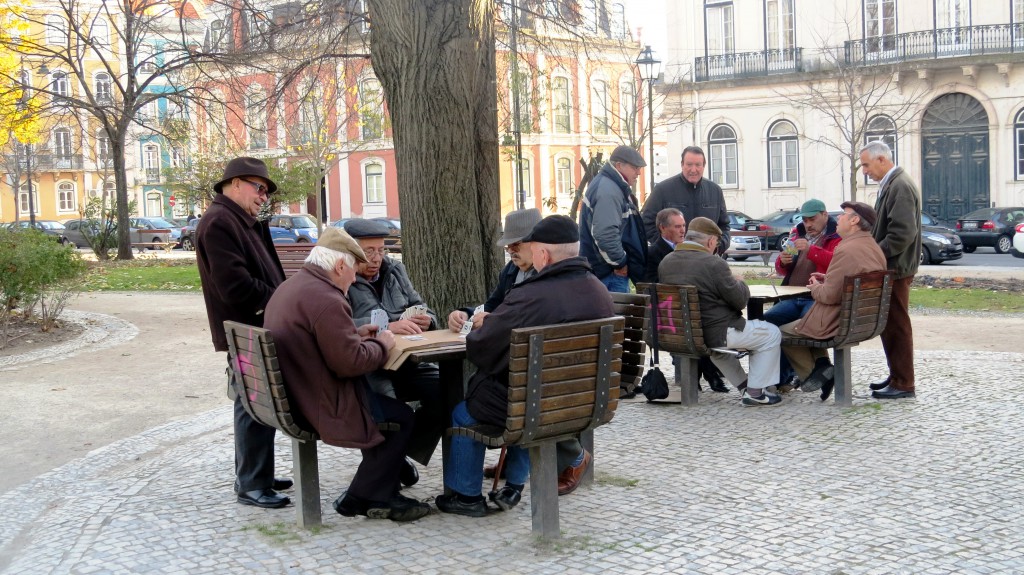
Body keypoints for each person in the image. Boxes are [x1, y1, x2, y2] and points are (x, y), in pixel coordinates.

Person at [435, 215, 615, 517]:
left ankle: (465, 497)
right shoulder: (598, 290)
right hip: (585, 401)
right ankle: (515, 484)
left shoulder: (531, 296)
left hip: (534, 405)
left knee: (466, 412)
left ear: (542, 254)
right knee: (524, 397)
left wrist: (483, 327)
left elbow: (481, 349)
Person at [263, 227, 429, 522]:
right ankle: (363, 495)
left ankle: (372, 492)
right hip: (321, 402)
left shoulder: (294, 287)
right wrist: (382, 341)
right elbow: (350, 363)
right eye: (353, 270)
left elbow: (325, 339)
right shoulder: (327, 299)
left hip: (296, 393)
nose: (354, 278)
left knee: (391, 407)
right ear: (340, 265)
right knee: (401, 417)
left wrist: (354, 331)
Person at [195, 157, 291, 509]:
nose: (263, 196)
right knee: (252, 402)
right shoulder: (220, 221)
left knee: (256, 400)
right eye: (259, 187)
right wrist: (281, 301)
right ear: (234, 183)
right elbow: (234, 286)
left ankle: (258, 473)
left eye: (266, 191)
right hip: (246, 328)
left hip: (254, 326)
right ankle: (251, 483)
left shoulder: (239, 220)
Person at [343, 218, 443, 476]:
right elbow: (339, 325)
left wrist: (427, 319)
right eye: (369, 252)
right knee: (387, 409)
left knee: (447, 391)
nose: (377, 258)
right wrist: (389, 326)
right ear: (352, 251)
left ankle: (402, 453)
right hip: (371, 365)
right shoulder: (343, 276)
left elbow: (423, 306)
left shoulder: (395, 270)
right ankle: (389, 467)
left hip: (408, 361)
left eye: (381, 250)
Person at [658, 217, 783, 406]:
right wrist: (739, 281)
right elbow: (740, 301)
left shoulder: (666, 262)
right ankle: (756, 393)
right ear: (710, 241)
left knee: (719, 351)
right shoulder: (714, 263)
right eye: (716, 242)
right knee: (772, 334)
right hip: (716, 332)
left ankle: (745, 388)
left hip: (686, 332)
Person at [778, 202, 887, 401]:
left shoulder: (846, 248)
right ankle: (822, 368)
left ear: (854, 220)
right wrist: (826, 279)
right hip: (861, 320)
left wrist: (814, 286)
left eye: (844, 215)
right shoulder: (872, 246)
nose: (839, 218)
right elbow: (843, 281)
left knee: (778, 332)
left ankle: (819, 376)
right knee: (797, 321)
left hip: (836, 320)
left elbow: (828, 296)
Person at [860, 141, 922, 399]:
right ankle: (896, 374)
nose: (864, 170)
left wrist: (874, 254)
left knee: (897, 325)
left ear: (882, 160)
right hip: (892, 267)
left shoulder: (900, 186)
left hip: (896, 268)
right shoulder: (893, 184)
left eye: (866, 164)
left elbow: (901, 234)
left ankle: (904, 382)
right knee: (890, 324)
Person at [644, 208, 730, 394]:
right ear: (663, 228)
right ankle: (709, 374)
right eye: (677, 226)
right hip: (671, 314)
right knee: (697, 329)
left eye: (684, 225)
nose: (682, 230)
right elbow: (652, 285)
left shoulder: (693, 251)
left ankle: (706, 374)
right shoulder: (655, 253)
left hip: (694, 310)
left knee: (702, 325)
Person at [763, 199, 842, 390]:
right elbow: (782, 268)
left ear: (824, 215)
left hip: (817, 297)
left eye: (812, 219)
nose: (808, 224)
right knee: (767, 322)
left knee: (801, 326)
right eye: (805, 220)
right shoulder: (797, 232)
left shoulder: (836, 236)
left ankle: (812, 374)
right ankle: (781, 378)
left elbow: (836, 263)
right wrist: (783, 261)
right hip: (792, 295)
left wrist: (811, 249)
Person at [578, 145, 648, 293]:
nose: (639, 173)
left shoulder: (609, 185)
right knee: (616, 315)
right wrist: (620, 263)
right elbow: (605, 234)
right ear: (619, 166)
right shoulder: (609, 190)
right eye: (635, 167)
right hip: (609, 273)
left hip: (605, 271)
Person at [641, 146, 730, 254]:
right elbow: (646, 223)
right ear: (682, 164)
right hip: (672, 260)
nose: (693, 170)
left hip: (707, 261)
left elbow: (724, 226)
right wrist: (668, 248)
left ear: (704, 166)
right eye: (689, 164)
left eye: (698, 165)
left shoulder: (715, 191)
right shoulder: (663, 190)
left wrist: (717, 248)